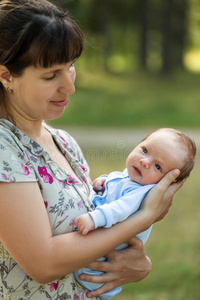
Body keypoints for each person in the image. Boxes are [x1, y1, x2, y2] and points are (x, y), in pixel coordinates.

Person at [0, 1, 184, 299]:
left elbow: (96, 238)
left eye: (70, 66)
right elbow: (43, 264)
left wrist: (138, 264)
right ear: (7, 76)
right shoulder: (3, 146)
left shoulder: (63, 141)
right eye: (51, 76)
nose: (69, 87)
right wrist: (145, 216)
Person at [74, 128, 196, 299]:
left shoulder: (143, 193)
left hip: (95, 273)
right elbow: (116, 181)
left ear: (166, 181)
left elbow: (120, 208)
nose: (145, 162)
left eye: (158, 166)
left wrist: (94, 218)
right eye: (145, 150)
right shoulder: (130, 177)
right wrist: (103, 181)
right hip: (91, 252)